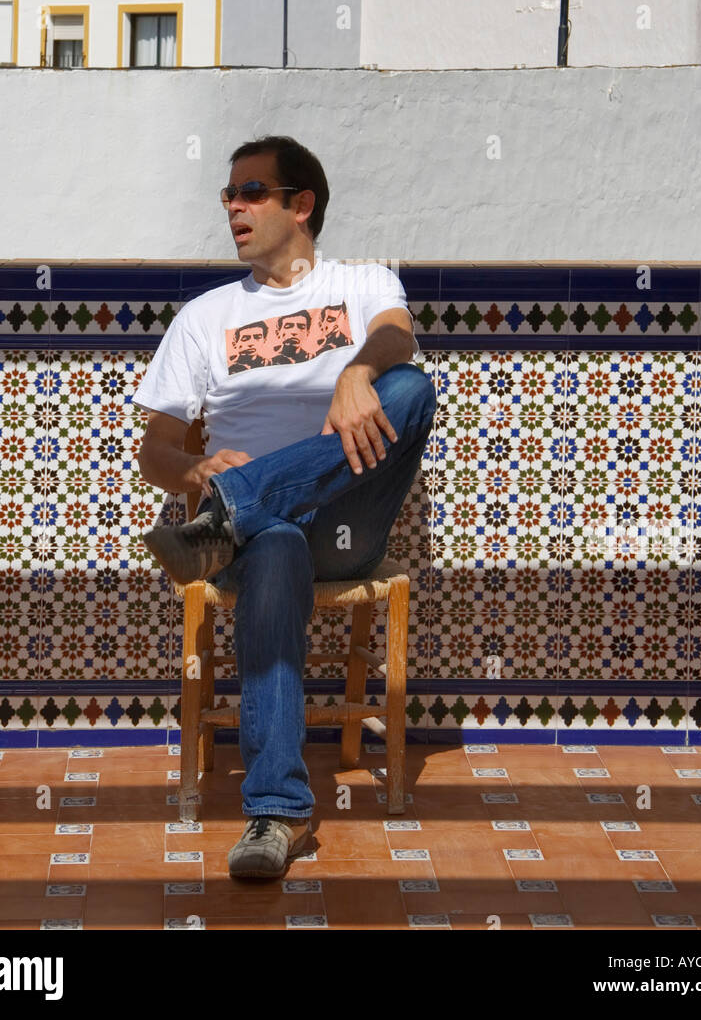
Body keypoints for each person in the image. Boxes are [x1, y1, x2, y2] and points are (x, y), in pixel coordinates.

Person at [132, 134, 437, 880]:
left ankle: (235, 506)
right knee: (272, 548)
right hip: (257, 543)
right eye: (228, 196)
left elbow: (398, 337)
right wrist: (198, 465)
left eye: (252, 192)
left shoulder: (365, 284)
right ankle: (278, 811)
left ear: (301, 205)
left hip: (344, 523)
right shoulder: (205, 317)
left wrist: (360, 370)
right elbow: (154, 452)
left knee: (412, 388)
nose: (234, 207)